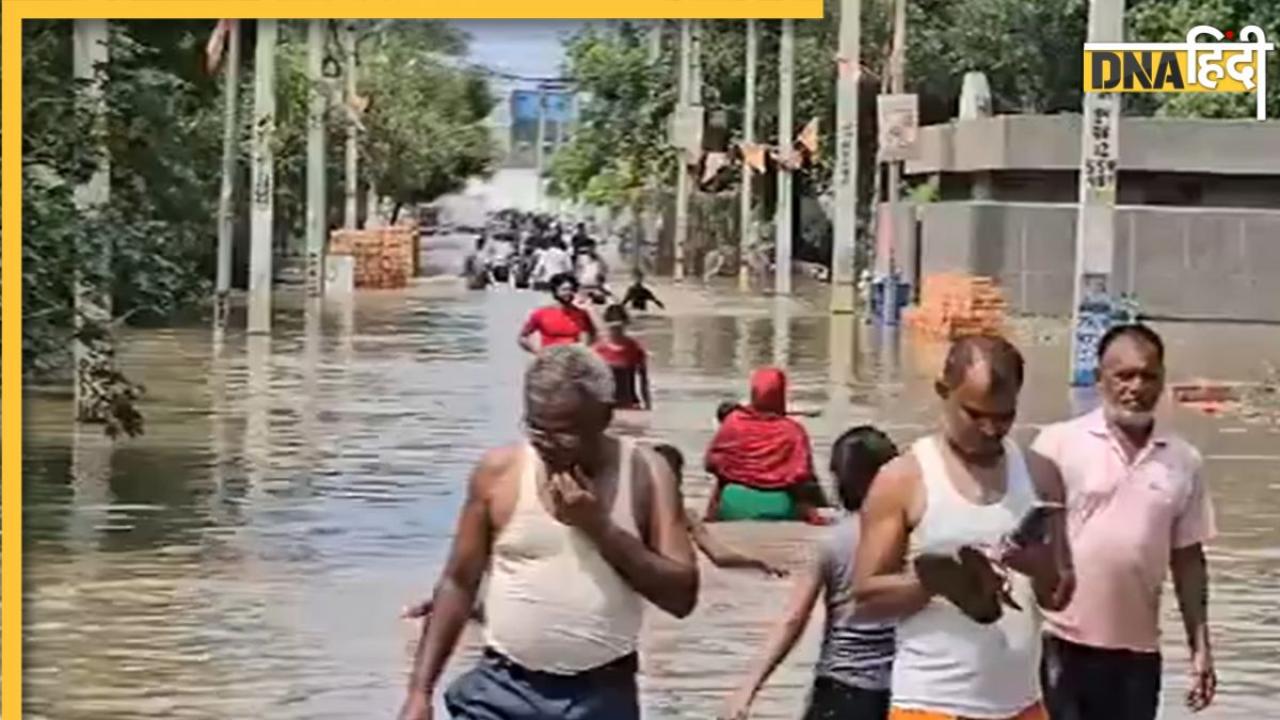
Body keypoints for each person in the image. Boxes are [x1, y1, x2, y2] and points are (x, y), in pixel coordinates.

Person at [397, 345, 698, 720]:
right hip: (500, 688)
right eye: (537, 429)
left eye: (565, 433)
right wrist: (419, 692)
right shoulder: (500, 473)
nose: (547, 445)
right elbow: (459, 583)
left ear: (604, 417)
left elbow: (682, 597)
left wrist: (599, 527)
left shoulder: (646, 473)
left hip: (601, 695)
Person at [853, 334, 1075, 720]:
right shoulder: (903, 478)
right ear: (944, 391)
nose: (991, 429)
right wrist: (933, 586)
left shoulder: (1042, 475)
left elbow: (1060, 595)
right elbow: (865, 597)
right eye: (975, 414)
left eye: (1004, 416)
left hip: (1021, 704)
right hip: (931, 702)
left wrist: (1040, 567)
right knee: (941, 575)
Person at [1032, 324, 1217, 720]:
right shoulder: (1056, 445)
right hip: (1059, 643)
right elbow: (1023, 543)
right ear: (1100, 379)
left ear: (1163, 380)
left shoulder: (1183, 461)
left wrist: (1200, 648)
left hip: (1138, 655)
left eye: (1148, 375)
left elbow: (1187, 561)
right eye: (1124, 375)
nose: (1136, 386)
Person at [722, 426, 901, 720]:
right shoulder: (916, 537)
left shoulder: (832, 543)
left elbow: (793, 619)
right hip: (906, 690)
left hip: (842, 690)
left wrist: (747, 689)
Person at [704, 367, 829, 524]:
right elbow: (801, 478)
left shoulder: (733, 423)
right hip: (780, 508)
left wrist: (710, 516)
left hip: (732, 506)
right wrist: (814, 517)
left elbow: (714, 466)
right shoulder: (793, 431)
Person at [652, 443, 788, 578]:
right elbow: (718, 555)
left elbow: (719, 555)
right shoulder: (685, 515)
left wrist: (759, 563)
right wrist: (758, 563)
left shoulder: (684, 515)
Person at [518, 273, 597, 353]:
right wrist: (538, 353)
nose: (568, 293)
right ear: (555, 291)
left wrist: (590, 309)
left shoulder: (581, 313)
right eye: (564, 289)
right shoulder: (541, 313)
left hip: (574, 359)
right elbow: (523, 337)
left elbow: (593, 337)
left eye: (571, 289)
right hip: (550, 360)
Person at [592, 304, 651, 410]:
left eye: (620, 327)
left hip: (630, 404)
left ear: (625, 325)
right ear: (606, 325)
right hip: (604, 406)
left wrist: (648, 405)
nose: (616, 331)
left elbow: (644, 381)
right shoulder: (597, 350)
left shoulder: (635, 348)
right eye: (613, 327)